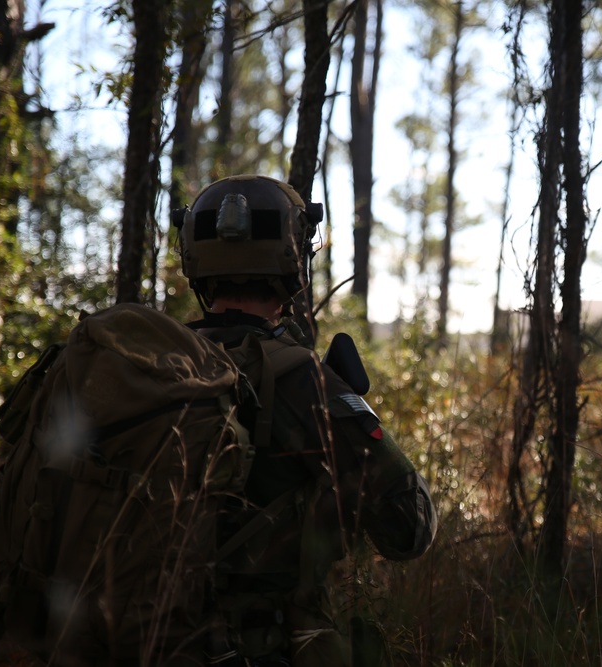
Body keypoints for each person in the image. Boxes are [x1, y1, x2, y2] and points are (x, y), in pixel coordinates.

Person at [175, 174, 437, 666]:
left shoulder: (146, 368)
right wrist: (347, 408)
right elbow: (410, 531)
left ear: (195, 260)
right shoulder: (305, 381)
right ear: (295, 263)